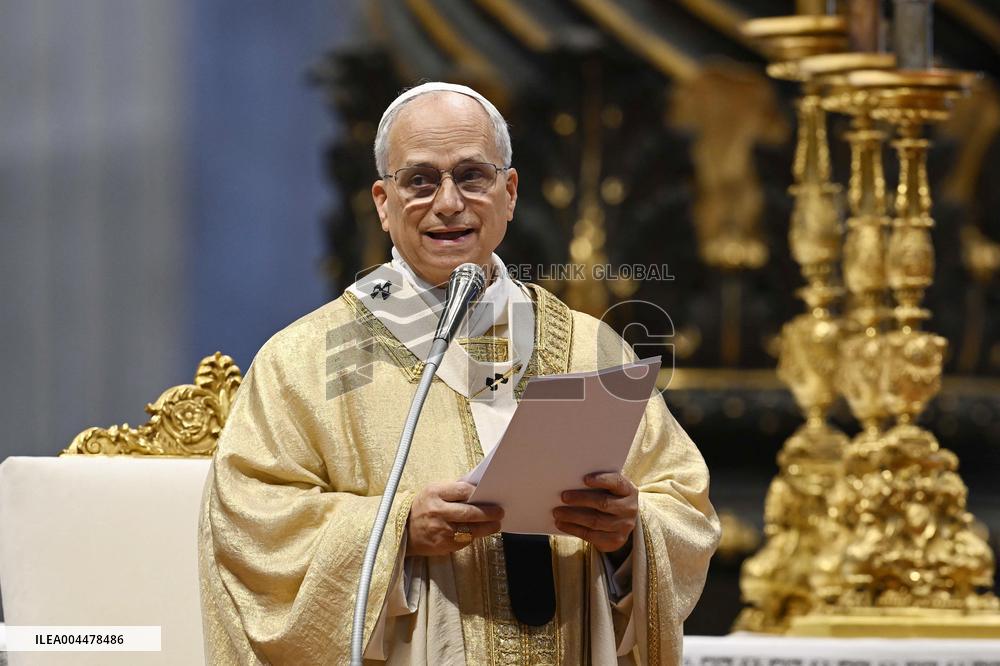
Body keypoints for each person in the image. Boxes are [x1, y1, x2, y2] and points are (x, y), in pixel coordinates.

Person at [199, 81, 720, 665]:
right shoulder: (306, 360)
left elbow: (685, 508)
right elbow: (250, 525)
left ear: (510, 191)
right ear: (382, 201)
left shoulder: (590, 348)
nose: (448, 202)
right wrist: (398, 529)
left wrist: (629, 532)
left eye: (473, 176)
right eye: (420, 181)